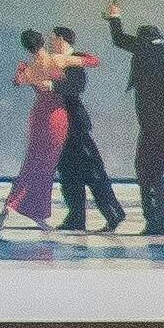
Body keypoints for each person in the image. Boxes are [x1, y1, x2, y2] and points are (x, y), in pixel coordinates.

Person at [109, 12, 164, 239]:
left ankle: (157, 224)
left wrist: (114, 17)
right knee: (154, 174)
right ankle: (160, 222)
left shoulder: (147, 53)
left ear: (143, 40)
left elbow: (119, 40)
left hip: (154, 129)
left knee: (147, 173)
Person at [44, 26, 125, 235]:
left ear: (62, 39)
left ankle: (113, 213)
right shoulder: (57, 60)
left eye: (52, 38)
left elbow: (75, 88)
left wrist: (52, 86)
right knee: (68, 174)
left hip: (76, 125)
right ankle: (76, 217)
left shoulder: (75, 61)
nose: (50, 41)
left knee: (93, 172)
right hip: (61, 125)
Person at [0, 31, 70, 231]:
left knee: (32, 163)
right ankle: (35, 214)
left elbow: (18, 82)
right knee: (45, 166)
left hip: (39, 115)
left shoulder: (29, 67)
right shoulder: (53, 60)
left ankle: (11, 207)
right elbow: (92, 61)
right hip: (55, 116)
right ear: (43, 41)